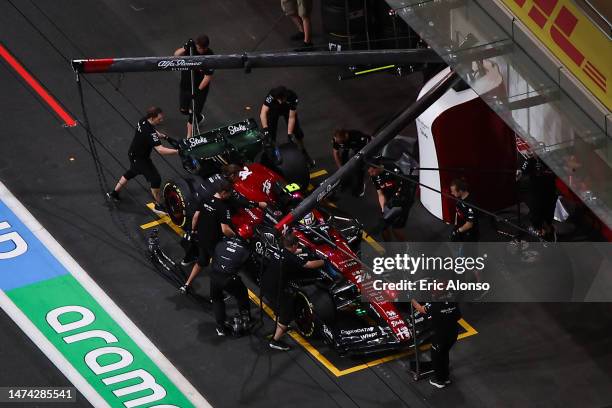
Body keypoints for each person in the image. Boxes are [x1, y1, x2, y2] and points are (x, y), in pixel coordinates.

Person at [180, 164, 267, 266]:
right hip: (200, 213)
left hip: (192, 205)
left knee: (194, 235)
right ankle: (210, 262)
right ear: (232, 176)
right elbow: (239, 200)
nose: (239, 178)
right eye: (238, 175)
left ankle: (190, 254)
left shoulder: (217, 176)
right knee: (204, 239)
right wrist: (258, 204)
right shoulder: (225, 185)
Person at [107, 107, 178, 212]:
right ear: (152, 118)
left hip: (134, 153)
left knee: (133, 171)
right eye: (159, 119)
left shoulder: (143, 120)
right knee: (156, 179)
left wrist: (161, 136)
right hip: (140, 158)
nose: (161, 121)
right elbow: (160, 150)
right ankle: (158, 205)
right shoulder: (149, 132)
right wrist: (177, 152)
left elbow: (152, 131)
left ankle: (114, 193)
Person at [262, 232, 323, 351]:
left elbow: (291, 253)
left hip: (266, 283)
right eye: (297, 245)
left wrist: (305, 250)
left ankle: (280, 323)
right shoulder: (290, 258)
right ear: (294, 245)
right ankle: (275, 341)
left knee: (281, 304)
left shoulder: (279, 250)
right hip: (275, 288)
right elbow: (309, 265)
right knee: (287, 313)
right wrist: (325, 261)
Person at [180, 181, 235, 294]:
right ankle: (215, 295)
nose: (231, 195)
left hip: (201, 238)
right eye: (230, 193)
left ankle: (186, 285)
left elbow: (195, 217)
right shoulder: (223, 208)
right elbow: (225, 229)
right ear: (224, 193)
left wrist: (193, 230)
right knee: (218, 270)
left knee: (201, 262)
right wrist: (236, 237)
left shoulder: (206, 199)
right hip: (214, 243)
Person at [209, 227, 253, 336]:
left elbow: (215, 256)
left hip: (214, 275)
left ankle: (221, 327)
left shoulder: (222, 242)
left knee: (217, 299)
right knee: (242, 293)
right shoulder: (245, 250)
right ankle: (245, 318)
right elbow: (246, 266)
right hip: (228, 278)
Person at [260, 86, 315, 167]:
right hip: (274, 110)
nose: (280, 102)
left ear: (285, 96)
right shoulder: (271, 96)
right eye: (278, 99)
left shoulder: (293, 97)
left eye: (282, 99)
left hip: (287, 110)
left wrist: (289, 134)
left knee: (297, 132)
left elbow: (291, 117)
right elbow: (263, 112)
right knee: (269, 136)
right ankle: (272, 158)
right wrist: (265, 130)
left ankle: (304, 153)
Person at [411, 299, 461, 389]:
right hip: (453, 333)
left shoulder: (434, 305)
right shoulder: (453, 300)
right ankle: (446, 377)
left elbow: (420, 309)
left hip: (441, 335)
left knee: (436, 356)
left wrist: (412, 301)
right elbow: (458, 316)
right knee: (444, 353)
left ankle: (440, 380)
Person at [174, 35, 214, 138]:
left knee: (192, 115)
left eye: (201, 48)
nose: (199, 50)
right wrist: (185, 47)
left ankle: (189, 137)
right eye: (198, 47)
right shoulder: (191, 49)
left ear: (206, 48)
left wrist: (197, 91)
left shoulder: (210, 56)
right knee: (183, 110)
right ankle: (198, 117)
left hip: (199, 89)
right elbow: (176, 56)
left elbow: (207, 77)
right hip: (185, 85)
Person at [367, 159, 417, 241]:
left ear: (377, 168)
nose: (371, 174)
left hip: (403, 201)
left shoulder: (393, 170)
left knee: (395, 229)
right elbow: (381, 194)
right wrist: (383, 209)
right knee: (383, 227)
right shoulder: (374, 177)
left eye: (372, 171)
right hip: (390, 201)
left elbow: (406, 188)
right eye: (369, 172)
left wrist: (396, 203)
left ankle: (405, 248)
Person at [519, 152, 557, 241]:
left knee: (548, 211)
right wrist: (519, 172)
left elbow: (557, 171)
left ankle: (548, 230)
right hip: (536, 192)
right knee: (537, 211)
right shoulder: (530, 160)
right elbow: (522, 171)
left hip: (549, 191)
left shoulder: (551, 159)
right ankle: (540, 230)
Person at [332, 128, 371, 197]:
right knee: (344, 162)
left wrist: (359, 160)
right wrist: (340, 167)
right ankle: (346, 180)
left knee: (359, 167)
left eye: (341, 142)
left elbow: (366, 150)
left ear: (346, 137)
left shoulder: (357, 136)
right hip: (350, 146)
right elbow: (336, 153)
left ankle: (361, 186)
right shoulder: (337, 140)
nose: (339, 143)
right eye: (339, 142)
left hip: (364, 147)